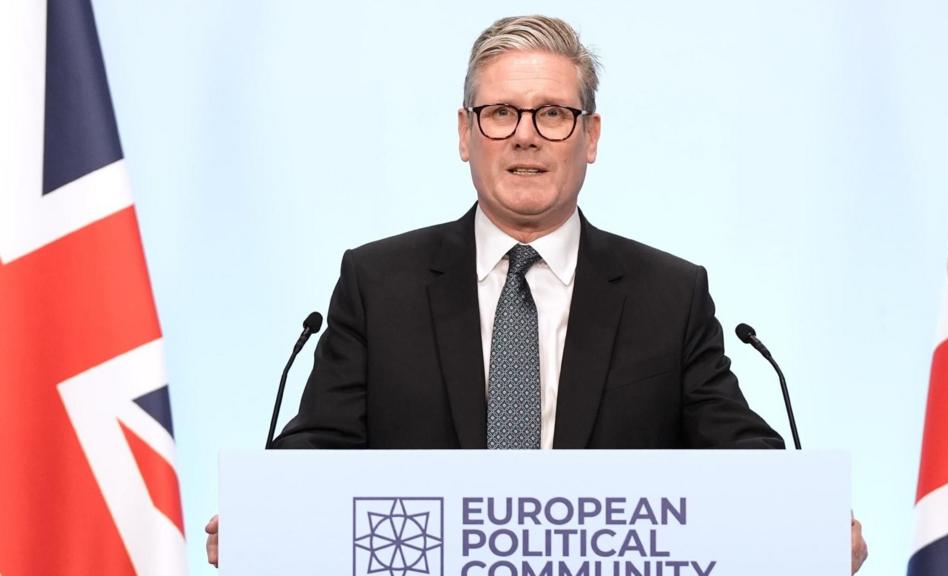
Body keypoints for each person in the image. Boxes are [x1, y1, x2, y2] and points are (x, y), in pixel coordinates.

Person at [206, 15, 868, 573]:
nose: (525, 134)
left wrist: (805, 522)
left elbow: (742, 462)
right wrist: (266, 514)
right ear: (465, 134)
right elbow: (318, 452)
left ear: (592, 137)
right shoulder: (379, 284)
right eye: (500, 113)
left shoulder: (669, 295)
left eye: (552, 113)